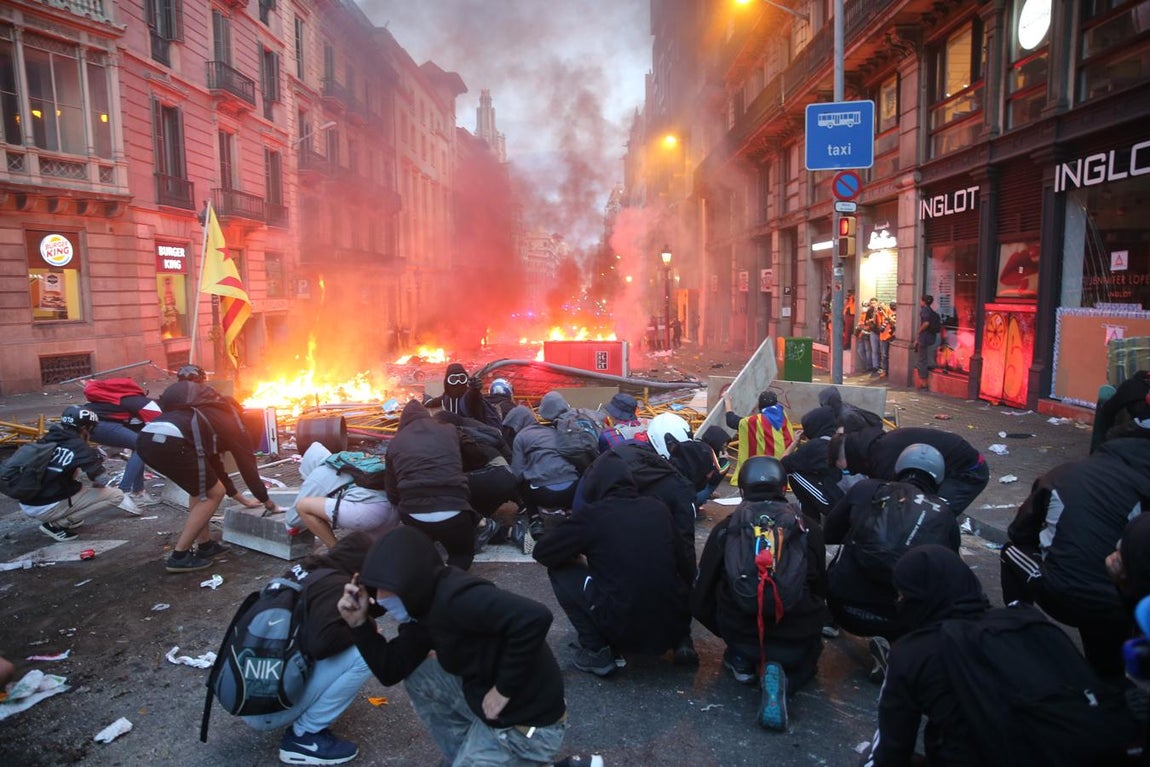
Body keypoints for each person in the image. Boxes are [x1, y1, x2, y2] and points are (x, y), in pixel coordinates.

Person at [342, 526, 602, 767]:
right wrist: (359, 624)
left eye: (387, 588)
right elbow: (391, 670)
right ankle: (466, 756)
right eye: (376, 589)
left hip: (527, 723)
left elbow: (535, 617)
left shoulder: (458, 597)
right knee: (421, 676)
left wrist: (503, 690)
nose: (379, 599)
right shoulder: (422, 609)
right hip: (483, 699)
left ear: (410, 579)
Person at [1001, 403, 1150, 683]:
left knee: (1012, 552)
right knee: (1106, 673)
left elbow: (1019, 533)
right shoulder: (1139, 486)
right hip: (1116, 604)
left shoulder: (1063, 475)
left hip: (1069, 592)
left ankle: (1019, 626)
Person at [241, 533, 411, 766]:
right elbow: (321, 644)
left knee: (358, 639)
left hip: (250, 690)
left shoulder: (308, 569)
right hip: (266, 708)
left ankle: (301, 714)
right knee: (366, 651)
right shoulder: (336, 586)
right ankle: (304, 737)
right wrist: (366, 627)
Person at [692, 457, 826, 731]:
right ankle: (786, 676)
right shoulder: (808, 527)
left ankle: (742, 661)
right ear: (783, 486)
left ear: (742, 488)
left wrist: (728, 629)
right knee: (808, 656)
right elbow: (821, 587)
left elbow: (702, 592)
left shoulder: (727, 528)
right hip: (797, 636)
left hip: (741, 633)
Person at [532, 451, 694, 676]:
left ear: (595, 485)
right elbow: (684, 563)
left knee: (560, 572)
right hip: (672, 625)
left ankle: (596, 650)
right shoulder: (658, 508)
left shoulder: (592, 516)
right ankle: (682, 641)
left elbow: (543, 553)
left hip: (622, 628)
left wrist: (573, 546)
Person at [824, 444, 960, 682]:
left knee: (842, 547)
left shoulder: (866, 489)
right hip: (898, 621)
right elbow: (951, 575)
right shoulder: (944, 514)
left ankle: (828, 620)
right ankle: (894, 646)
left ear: (900, 466)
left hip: (842, 604)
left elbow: (829, 533)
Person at [136, 381, 276, 573]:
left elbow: (217, 472)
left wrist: (243, 500)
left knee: (201, 490)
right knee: (212, 493)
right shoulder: (234, 425)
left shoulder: (206, 420)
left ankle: (205, 545)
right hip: (171, 441)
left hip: (147, 439)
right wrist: (268, 503)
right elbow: (248, 470)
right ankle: (179, 556)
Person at [385, 399, 478, 570]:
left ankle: (427, 577)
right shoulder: (449, 429)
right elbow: (473, 453)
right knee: (462, 555)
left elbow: (391, 492)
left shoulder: (395, 442)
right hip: (455, 507)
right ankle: (452, 581)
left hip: (413, 513)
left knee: (422, 556)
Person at [16, 406, 127, 542]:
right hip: (44, 506)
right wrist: (98, 461)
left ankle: (65, 516)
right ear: (85, 428)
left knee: (77, 482)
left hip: (27, 499)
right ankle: (56, 524)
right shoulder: (80, 447)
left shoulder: (48, 438)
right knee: (116, 496)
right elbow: (102, 480)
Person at [835, 426, 989, 515]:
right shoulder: (875, 448)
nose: (850, 472)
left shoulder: (883, 459)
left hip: (967, 471)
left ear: (849, 454)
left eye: (845, 467)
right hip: (948, 466)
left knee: (933, 516)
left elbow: (901, 499)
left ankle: (945, 562)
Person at [286, 442, 398, 549]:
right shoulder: (344, 462)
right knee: (371, 554)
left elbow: (294, 518)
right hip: (393, 510)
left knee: (303, 506)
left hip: (368, 514)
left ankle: (336, 553)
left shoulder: (318, 475)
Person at [434, 410, 514, 549]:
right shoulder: (475, 429)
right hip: (506, 477)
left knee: (449, 488)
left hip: (492, 474)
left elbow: (476, 458)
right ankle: (507, 532)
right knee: (472, 523)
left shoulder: (458, 433)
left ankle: (488, 527)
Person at [82, 378, 163, 512]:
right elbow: (159, 434)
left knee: (138, 446)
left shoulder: (133, 402)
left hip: (88, 424)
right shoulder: (149, 407)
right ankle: (122, 493)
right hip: (97, 425)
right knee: (143, 446)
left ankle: (138, 493)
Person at [510, 392, 582, 538]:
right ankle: (570, 513)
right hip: (573, 490)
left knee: (522, 477)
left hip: (542, 494)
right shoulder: (572, 431)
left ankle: (535, 520)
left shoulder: (523, 435)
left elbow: (516, 473)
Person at [780, 406, 843, 523]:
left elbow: (783, 464)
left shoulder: (815, 446)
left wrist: (795, 442)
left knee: (793, 474)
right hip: (853, 502)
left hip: (836, 506)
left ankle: (809, 520)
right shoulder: (841, 440)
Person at [724, 389, 796, 484]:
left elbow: (731, 421)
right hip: (785, 467)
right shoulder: (782, 414)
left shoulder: (755, 421)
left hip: (768, 467)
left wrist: (727, 401)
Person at [425, 363, 500, 429]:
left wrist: (475, 389)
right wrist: (427, 400)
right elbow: (438, 401)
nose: (458, 382)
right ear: (447, 382)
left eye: (462, 378)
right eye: (453, 379)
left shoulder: (468, 398)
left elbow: (473, 398)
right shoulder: (447, 397)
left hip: (472, 437)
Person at [817, 386, 883, 434]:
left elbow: (852, 439)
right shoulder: (840, 407)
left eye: (823, 405)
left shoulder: (847, 416)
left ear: (830, 403)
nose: (823, 407)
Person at [913, 294, 939, 390]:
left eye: (921, 301)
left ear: (923, 301)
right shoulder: (931, 310)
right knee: (924, 358)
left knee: (922, 360)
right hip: (930, 338)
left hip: (924, 338)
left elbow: (926, 323)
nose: (920, 302)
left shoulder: (925, 310)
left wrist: (919, 331)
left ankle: (924, 383)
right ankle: (924, 382)